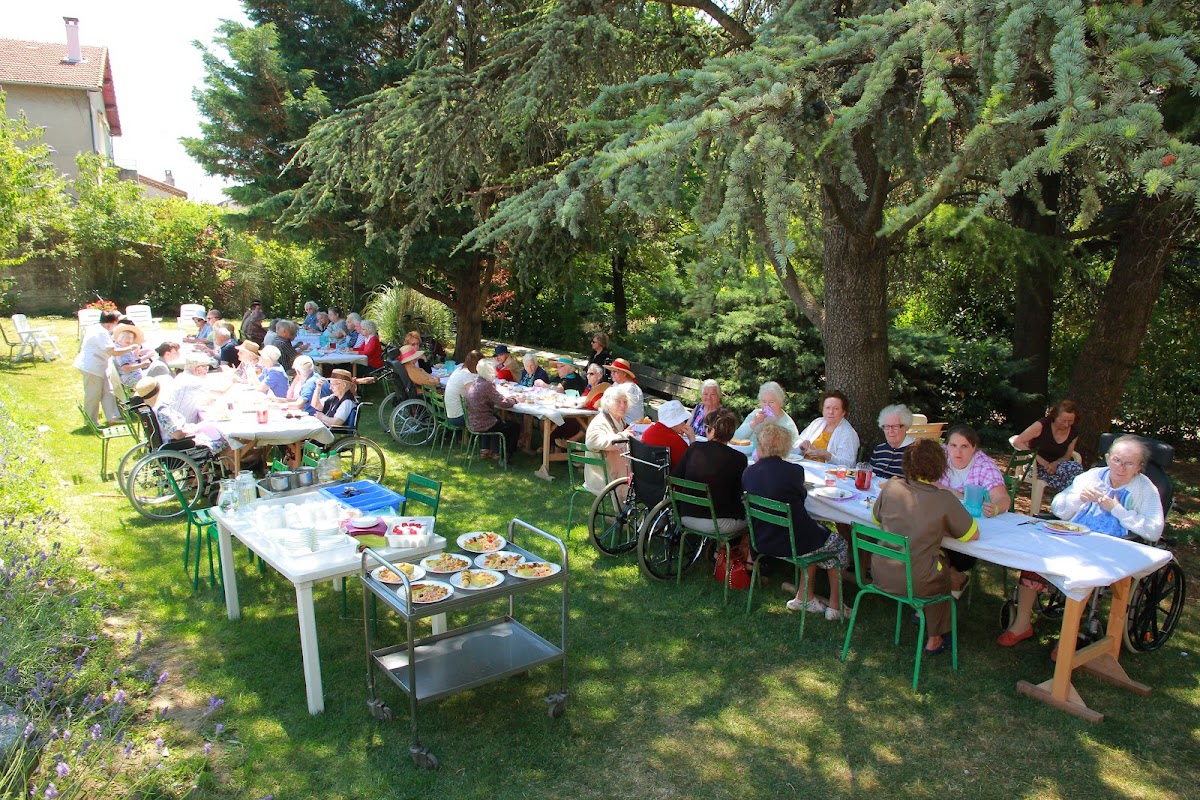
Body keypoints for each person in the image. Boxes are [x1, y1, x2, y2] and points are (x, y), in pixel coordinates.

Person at [998, 435, 1165, 648]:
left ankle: (1068, 637)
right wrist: (1078, 499)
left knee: (1083, 575)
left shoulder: (1144, 489)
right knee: (1037, 559)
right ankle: (1022, 623)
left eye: (1129, 463)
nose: (1120, 467)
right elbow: (1059, 508)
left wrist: (1117, 510)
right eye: (1116, 460)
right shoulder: (1093, 476)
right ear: (1107, 458)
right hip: (1076, 537)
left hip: (1112, 546)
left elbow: (1153, 530)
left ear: (1139, 467)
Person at [871, 438, 979, 655]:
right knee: (943, 573)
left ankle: (922, 614)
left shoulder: (892, 486)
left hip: (881, 571)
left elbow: (876, 519)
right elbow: (971, 534)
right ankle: (934, 638)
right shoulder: (943, 499)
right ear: (940, 467)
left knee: (930, 563)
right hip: (916, 580)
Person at [743, 421, 849, 621]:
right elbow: (800, 499)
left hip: (763, 539)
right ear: (784, 445)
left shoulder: (749, 472)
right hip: (793, 543)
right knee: (839, 543)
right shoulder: (793, 471)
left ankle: (804, 597)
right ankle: (835, 606)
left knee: (812, 532)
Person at [673, 407, 748, 535]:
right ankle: (727, 552)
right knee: (752, 516)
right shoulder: (739, 459)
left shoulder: (694, 448)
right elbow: (738, 494)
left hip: (686, 516)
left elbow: (676, 477)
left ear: (712, 431)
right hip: (719, 522)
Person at [134, 376, 228, 456]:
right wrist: (195, 428)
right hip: (181, 447)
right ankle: (232, 471)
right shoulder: (162, 411)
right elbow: (177, 434)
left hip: (172, 446)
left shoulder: (151, 410)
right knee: (227, 441)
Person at [75, 311, 139, 425]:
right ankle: (90, 422)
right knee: (93, 394)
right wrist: (131, 348)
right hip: (92, 367)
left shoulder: (100, 329)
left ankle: (112, 418)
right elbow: (113, 351)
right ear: (112, 322)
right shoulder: (100, 333)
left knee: (108, 391)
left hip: (99, 365)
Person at [937, 424, 1011, 519]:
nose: (958, 451)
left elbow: (1002, 498)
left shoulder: (985, 466)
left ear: (974, 448)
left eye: (964, 446)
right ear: (946, 445)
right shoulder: (939, 455)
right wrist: (957, 494)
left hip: (972, 519)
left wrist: (995, 508)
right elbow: (921, 480)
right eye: (953, 445)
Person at [1012, 399, 1084, 493]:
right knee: (1068, 480)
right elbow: (1017, 441)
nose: (1066, 425)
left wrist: (1055, 463)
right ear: (1055, 416)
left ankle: (1068, 499)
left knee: (1076, 469)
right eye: (1063, 421)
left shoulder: (1073, 433)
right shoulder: (1043, 425)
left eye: (1070, 421)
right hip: (1035, 465)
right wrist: (1043, 462)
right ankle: (1064, 498)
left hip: (1056, 468)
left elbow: (1067, 456)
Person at [467, 359, 519, 464]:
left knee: (500, 420)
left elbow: (496, 399)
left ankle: (496, 451)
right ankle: (505, 456)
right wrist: (515, 399)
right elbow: (504, 403)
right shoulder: (487, 385)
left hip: (473, 420)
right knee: (514, 427)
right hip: (484, 423)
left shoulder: (476, 382)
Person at [584, 384, 633, 493]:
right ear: (608, 404)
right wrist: (624, 436)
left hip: (618, 471)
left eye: (625, 402)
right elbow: (591, 442)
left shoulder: (620, 421)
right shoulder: (600, 422)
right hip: (602, 476)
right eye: (618, 402)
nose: (623, 406)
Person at [797, 390, 860, 466]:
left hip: (826, 474)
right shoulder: (817, 423)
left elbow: (848, 464)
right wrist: (802, 445)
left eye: (836, 409)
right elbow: (798, 442)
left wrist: (827, 456)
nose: (830, 412)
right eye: (827, 408)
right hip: (805, 466)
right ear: (822, 409)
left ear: (843, 412)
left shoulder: (848, 433)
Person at [553, 363, 609, 446]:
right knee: (559, 421)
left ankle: (568, 443)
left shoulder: (602, 389)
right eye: (587, 374)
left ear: (599, 376)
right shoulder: (589, 387)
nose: (588, 376)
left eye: (591, 374)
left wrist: (574, 405)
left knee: (571, 422)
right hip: (583, 414)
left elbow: (593, 404)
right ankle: (554, 449)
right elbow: (582, 399)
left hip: (595, 417)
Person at [734, 381, 800, 451]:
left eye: (771, 402)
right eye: (764, 402)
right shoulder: (755, 414)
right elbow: (736, 438)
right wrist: (754, 423)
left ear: (780, 403)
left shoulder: (788, 424)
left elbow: (794, 450)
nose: (767, 406)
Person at [639, 400, 695, 467]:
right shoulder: (677, 441)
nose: (684, 423)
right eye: (683, 420)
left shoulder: (647, 432)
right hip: (669, 476)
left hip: (648, 472)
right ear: (677, 422)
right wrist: (692, 440)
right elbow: (691, 463)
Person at [870, 404, 915, 479]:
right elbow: (869, 474)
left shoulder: (915, 452)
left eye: (895, 426)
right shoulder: (879, 449)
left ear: (906, 427)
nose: (890, 431)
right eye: (886, 426)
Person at [444, 350, 481, 428]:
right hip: (459, 417)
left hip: (451, 414)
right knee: (489, 416)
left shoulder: (458, 370)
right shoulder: (466, 375)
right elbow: (475, 397)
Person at [607, 358, 645, 425]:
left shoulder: (630, 388)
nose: (612, 374)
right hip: (620, 420)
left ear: (624, 374)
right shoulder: (617, 383)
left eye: (615, 372)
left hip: (630, 425)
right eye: (611, 371)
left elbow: (613, 407)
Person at [112, 324, 150, 389]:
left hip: (135, 376)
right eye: (127, 338)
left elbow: (134, 360)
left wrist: (138, 349)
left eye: (131, 338)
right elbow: (125, 368)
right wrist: (142, 365)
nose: (130, 340)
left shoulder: (124, 347)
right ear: (120, 339)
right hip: (131, 379)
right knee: (158, 374)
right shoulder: (121, 351)